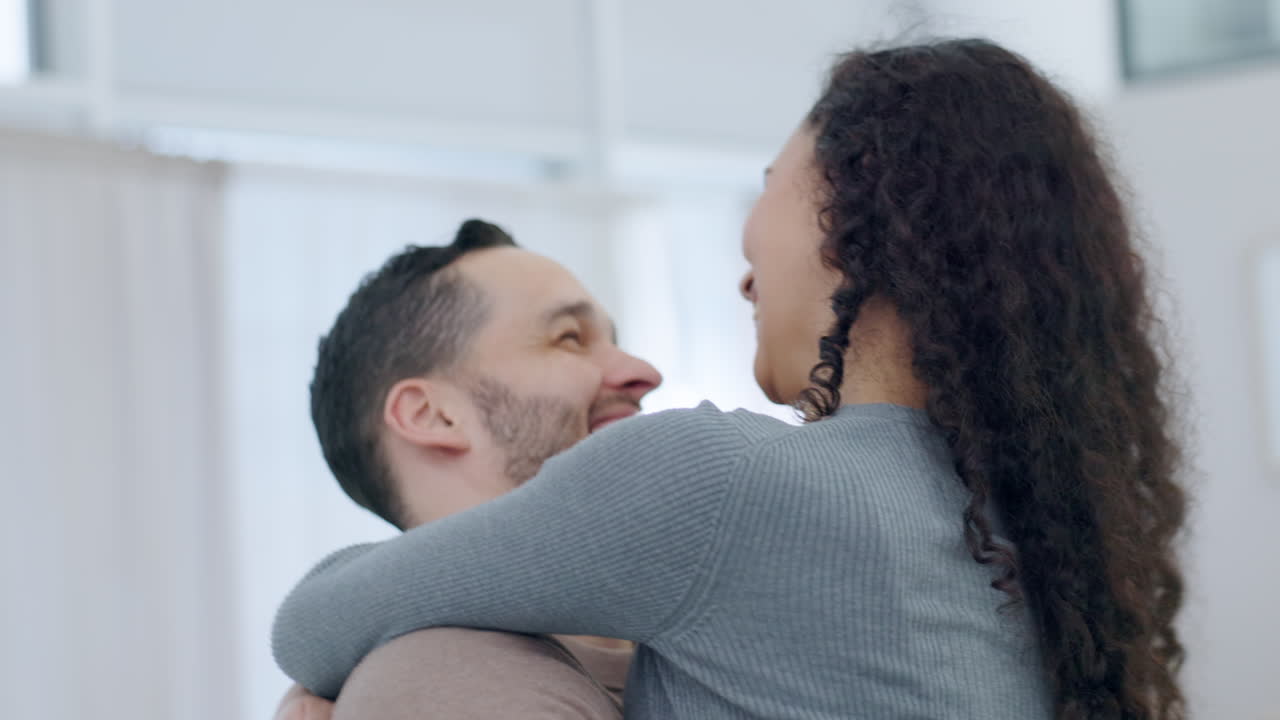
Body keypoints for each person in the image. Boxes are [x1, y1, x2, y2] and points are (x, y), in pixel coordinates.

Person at [273, 39, 1189, 720]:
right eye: (566, 338)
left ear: (852, 211)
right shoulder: (1024, 529)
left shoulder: (720, 485)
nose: (745, 271)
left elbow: (310, 622)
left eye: (767, 185)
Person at [274, 218, 663, 720]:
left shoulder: (697, 629)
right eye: (569, 337)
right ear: (433, 415)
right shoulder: (438, 681)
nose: (644, 372)